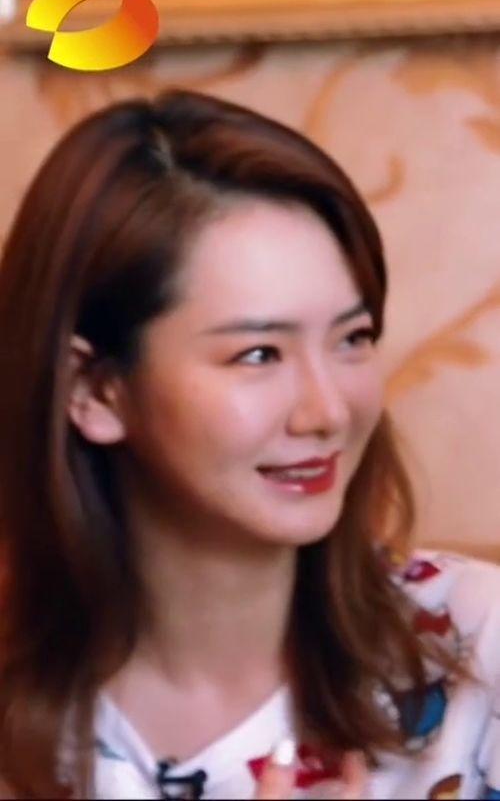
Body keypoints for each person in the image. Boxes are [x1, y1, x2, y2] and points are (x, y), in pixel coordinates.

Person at [0, 90, 500, 801]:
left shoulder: (477, 641)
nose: (328, 411)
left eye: (352, 338)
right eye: (259, 354)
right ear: (94, 390)